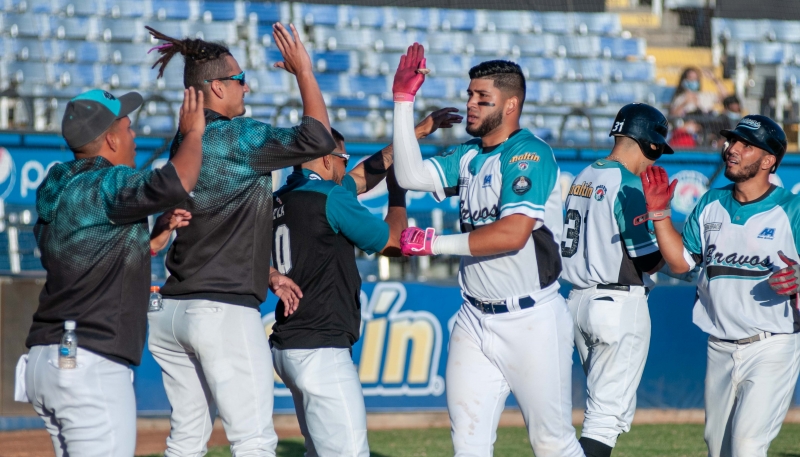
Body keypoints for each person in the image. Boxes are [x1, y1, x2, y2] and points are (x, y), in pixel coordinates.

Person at [144, 24, 336, 457]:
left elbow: (211, 222)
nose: (246, 86)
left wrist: (266, 270)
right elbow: (318, 139)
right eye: (238, 78)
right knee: (253, 441)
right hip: (221, 310)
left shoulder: (186, 138)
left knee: (186, 442)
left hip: (172, 310)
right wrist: (304, 70)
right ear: (215, 86)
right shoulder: (236, 136)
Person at [393, 44, 584, 457]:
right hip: (474, 318)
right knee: (468, 442)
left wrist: (434, 242)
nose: (471, 104)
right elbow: (408, 175)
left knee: (551, 442)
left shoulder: (530, 153)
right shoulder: (468, 155)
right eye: (469, 95)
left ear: (511, 104)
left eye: (483, 98)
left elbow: (512, 233)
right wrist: (403, 103)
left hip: (531, 318)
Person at [17, 86, 205, 456]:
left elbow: (86, 256)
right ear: (111, 139)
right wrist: (193, 132)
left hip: (46, 358)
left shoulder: (57, 185)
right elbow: (177, 181)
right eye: (129, 127)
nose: (135, 136)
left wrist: (150, 243)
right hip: (89, 362)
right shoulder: (105, 182)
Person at [270, 110, 460, 457]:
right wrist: (398, 190)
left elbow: (359, 176)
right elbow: (392, 242)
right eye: (342, 159)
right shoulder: (329, 197)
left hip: (288, 346)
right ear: (327, 159)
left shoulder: (285, 194)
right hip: (320, 348)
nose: (347, 167)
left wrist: (414, 133)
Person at [641, 115, 800, 457]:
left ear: (768, 160)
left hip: (772, 345)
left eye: (746, 144)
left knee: (748, 445)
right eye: (732, 141)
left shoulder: (792, 209)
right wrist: (659, 215)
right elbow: (681, 262)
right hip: (720, 346)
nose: (732, 149)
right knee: (719, 448)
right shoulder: (711, 202)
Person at [561, 103, 691, 457]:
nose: (656, 158)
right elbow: (648, 258)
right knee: (605, 418)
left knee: (599, 413)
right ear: (649, 143)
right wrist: (683, 258)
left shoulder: (584, 174)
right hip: (617, 304)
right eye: (657, 149)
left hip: (576, 301)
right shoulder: (628, 183)